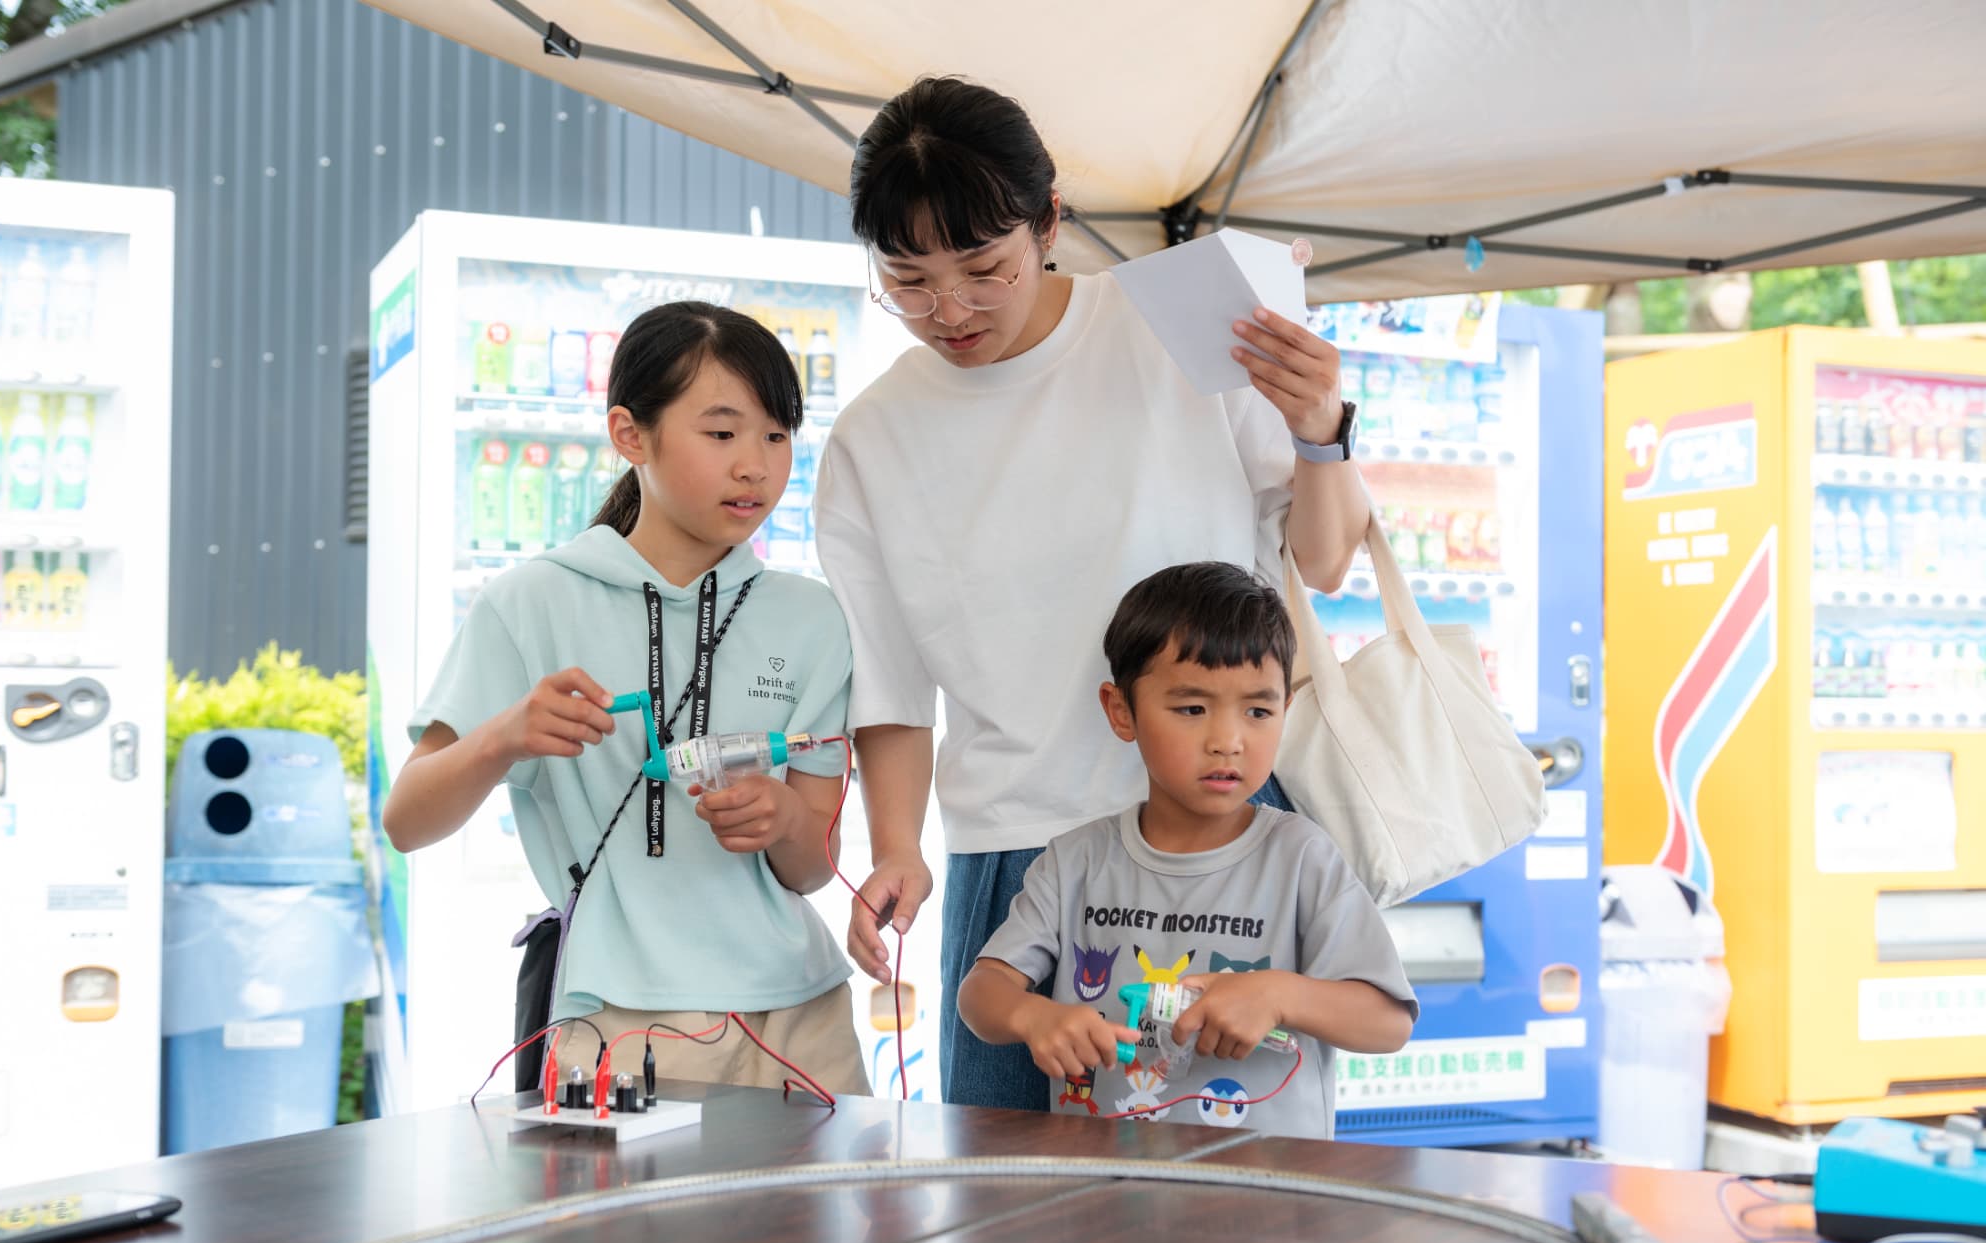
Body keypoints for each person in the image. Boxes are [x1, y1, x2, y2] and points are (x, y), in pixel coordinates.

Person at [813, 76, 1375, 1111]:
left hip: (1218, 828)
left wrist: (1319, 430)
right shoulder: (871, 437)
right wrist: (896, 849)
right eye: (907, 281)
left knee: (1230, 1163)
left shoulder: (1181, 328)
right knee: (1002, 1184)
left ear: (1049, 223)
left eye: (984, 269)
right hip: (1015, 850)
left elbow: (1326, 562)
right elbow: (888, 681)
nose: (949, 311)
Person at [382, 301, 867, 1096]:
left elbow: (813, 870)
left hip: (803, 1014)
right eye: (723, 434)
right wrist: (504, 736)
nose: (756, 466)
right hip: (618, 1016)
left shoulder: (812, 618)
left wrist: (785, 819)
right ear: (630, 434)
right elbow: (407, 821)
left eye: (777, 436)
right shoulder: (530, 604)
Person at [958, 564, 1415, 1136]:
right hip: (1101, 1173)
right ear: (1121, 711)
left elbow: (1388, 1023)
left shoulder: (1302, 857)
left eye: (1258, 711)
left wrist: (1279, 995)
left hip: (1265, 1183)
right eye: (1192, 709)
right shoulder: (1074, 862)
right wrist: (1031, 1015)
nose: (1228, 741)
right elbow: (981, 993)